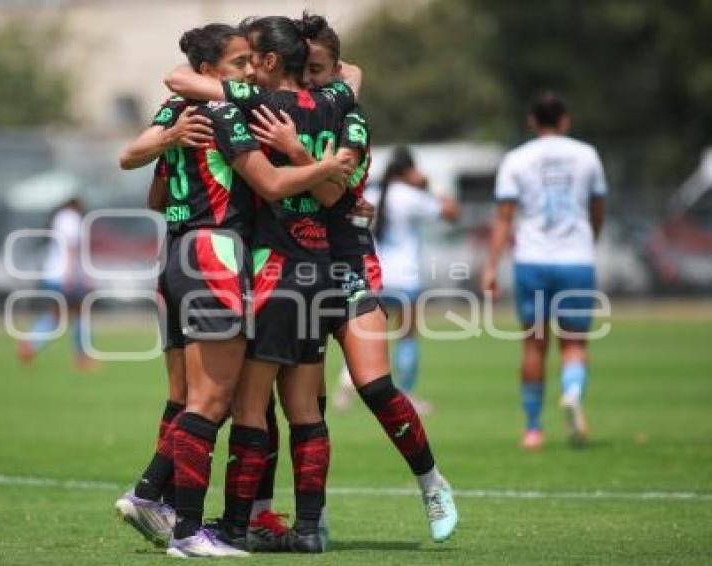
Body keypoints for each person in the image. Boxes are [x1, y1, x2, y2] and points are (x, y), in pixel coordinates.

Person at [116, 23, 348, 558]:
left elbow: (139, 172)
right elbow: (268, 183)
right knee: (213, 399)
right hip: (215, 252)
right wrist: (322, 167)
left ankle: (157, 497)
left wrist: (168, 145)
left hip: (177, 253)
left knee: (195, 398)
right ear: (208, 71)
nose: (248, 71)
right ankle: (185, 529)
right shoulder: (222, 112)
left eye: (251, 60)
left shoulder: (176, 110)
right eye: (238, 63)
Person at [246, 15, 461, 546]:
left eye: (318, 71)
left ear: (336, 72)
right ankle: (307, 520)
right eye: (303, 70)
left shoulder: (348, 112)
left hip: (347, 259)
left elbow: (336, 195)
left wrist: (297, 152)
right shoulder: (285, 103)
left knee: (375, 386)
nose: (310, 81)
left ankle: (431, 482)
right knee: (303, 402)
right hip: (293, 263)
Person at [482, 91, 607, 451]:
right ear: (565, 120)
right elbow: (598, 208)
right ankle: (571, 392)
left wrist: (491, 266)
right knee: (575, 344)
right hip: (576, 260)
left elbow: (504, 219)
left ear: (532, 121)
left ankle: (534, 429)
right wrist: (589, 240)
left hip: (532, 261)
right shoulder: (587, 155)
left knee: (534, 347)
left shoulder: (516, 159)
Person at [335, 147, 458, 413]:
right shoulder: (411, 196)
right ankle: (407, 392)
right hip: (405, 275)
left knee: (370, 333)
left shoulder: (373, 193)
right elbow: (450, 212)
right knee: (407, 336)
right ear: (409, 171)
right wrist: (433, 186)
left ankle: (347, 381)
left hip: (375, 273)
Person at [17, 197, 96, 371]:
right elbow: (70, 247)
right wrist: (72, 276)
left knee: (57, 316)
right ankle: (82, 357)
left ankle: (30, 344)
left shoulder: (60, 217)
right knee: (80, 314)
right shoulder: (71, 218)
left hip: (52, 275)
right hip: (65, 277)